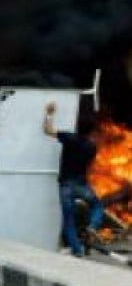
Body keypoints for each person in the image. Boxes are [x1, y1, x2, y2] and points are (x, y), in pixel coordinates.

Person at [43, 102, 103, 257]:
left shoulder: (68, 137)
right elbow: (90, 166)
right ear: (91, 131)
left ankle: (77, 251)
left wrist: (49, 113)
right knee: (97, 205)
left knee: (68, 219)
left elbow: (47, 130)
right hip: (82, 184)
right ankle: (93, 226)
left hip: (66, 185)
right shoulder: (92, 147)